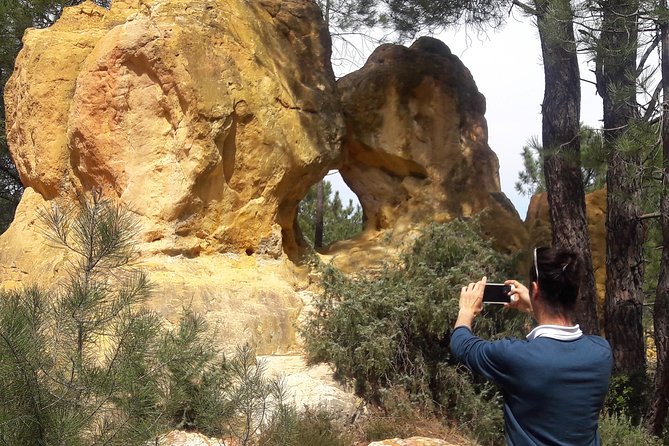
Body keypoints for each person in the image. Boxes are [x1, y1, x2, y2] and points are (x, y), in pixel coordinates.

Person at [449, 247, 612, 446]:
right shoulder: (601, 352)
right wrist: (535, 306)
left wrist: (466, 311)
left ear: (534, 290)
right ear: (577, 292)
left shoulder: (516, 357)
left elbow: (462, 345)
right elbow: (564, 341)